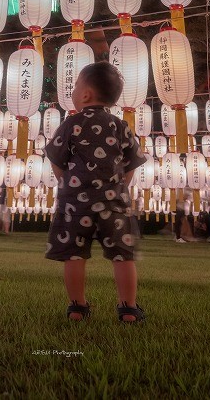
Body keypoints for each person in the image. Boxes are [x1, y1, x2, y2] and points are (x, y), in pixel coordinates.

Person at [45, 61, 147, 324]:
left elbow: (56, 158)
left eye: (76, 84)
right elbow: (131, 163)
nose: (74, 89)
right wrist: (119, 185)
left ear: (86, 94)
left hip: (75, 205)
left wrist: (67, 182)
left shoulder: (72, 124)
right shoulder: (119, 125)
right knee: (122, 255)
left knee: (74, 254)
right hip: (112, 202)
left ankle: (77, 307)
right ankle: (128, 309)